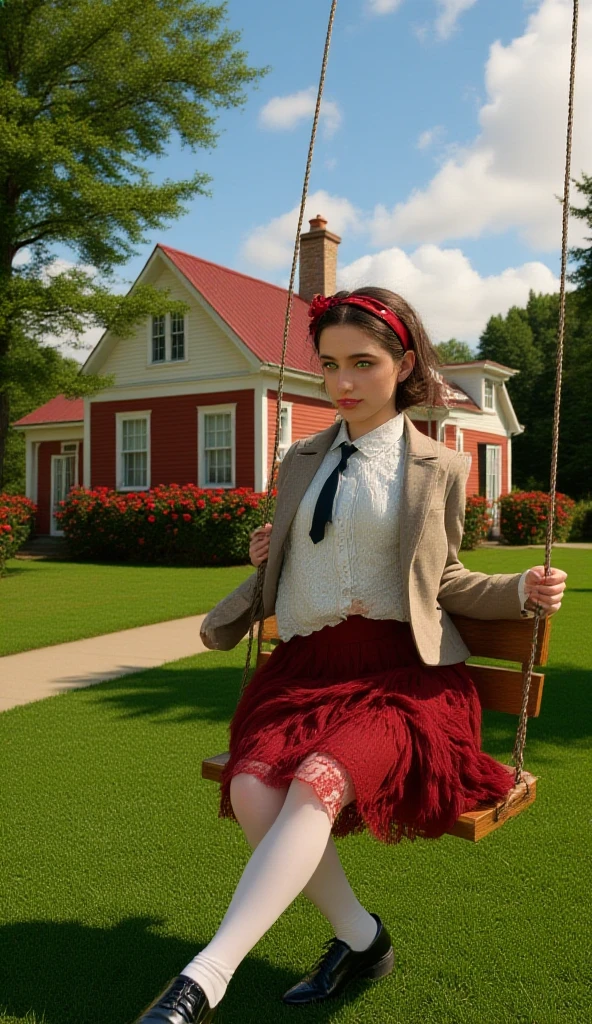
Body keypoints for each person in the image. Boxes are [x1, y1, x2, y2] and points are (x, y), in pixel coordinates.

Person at [135, 287, 567, 1023]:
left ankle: (203, 978)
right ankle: (362, 938)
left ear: (402, 364)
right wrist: (266, 558)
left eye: (363, 363)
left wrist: (522, 585)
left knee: (316, 780)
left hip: (401, 678)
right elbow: (302, 556)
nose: (342, 384)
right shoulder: (299, 458)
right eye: (330, 365)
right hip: (306, 672)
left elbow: (449, 577)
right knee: (250, 791)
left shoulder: (438, 466)